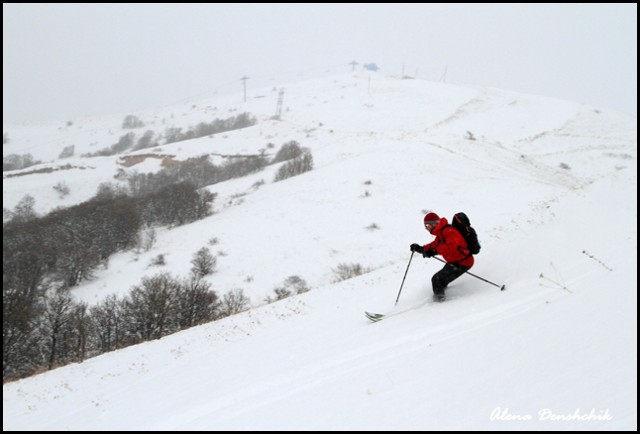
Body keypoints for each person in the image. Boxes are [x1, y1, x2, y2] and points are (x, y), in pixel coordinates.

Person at [410, 212, 474, 301]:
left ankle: (440, 305)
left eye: (427, 225)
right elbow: (435, 244)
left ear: (433, 224)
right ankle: (440, 297)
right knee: (441, 281)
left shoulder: (448, 231)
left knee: (437, 280)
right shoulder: (442, 232)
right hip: (455, 261)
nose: (427, 228)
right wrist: (421, 249)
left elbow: (450, 248)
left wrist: (433, 251)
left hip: (463, 262)